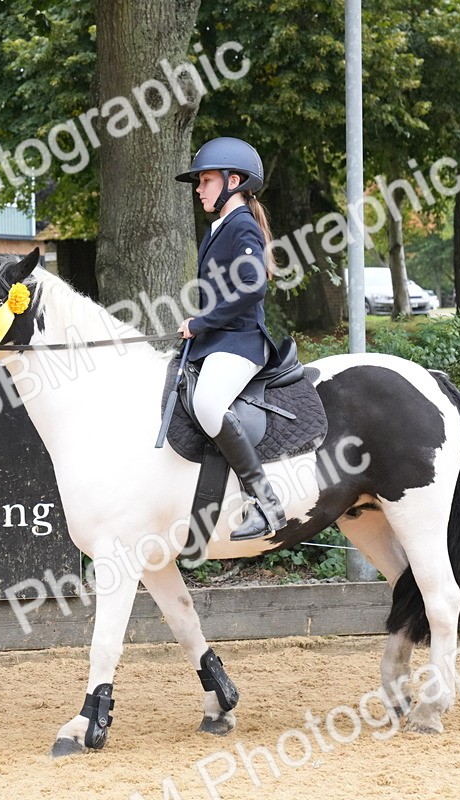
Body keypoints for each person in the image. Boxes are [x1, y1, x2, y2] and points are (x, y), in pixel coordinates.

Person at [175, 137, 287, 541]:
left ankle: (266, 504)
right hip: (217, 340)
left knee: (207, 403)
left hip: (240, 341)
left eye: (205, 181)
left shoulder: (240, 226)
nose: (199, 189)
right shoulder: (217, 228)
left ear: (232, 181)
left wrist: (202, 322)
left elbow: (251, 288)